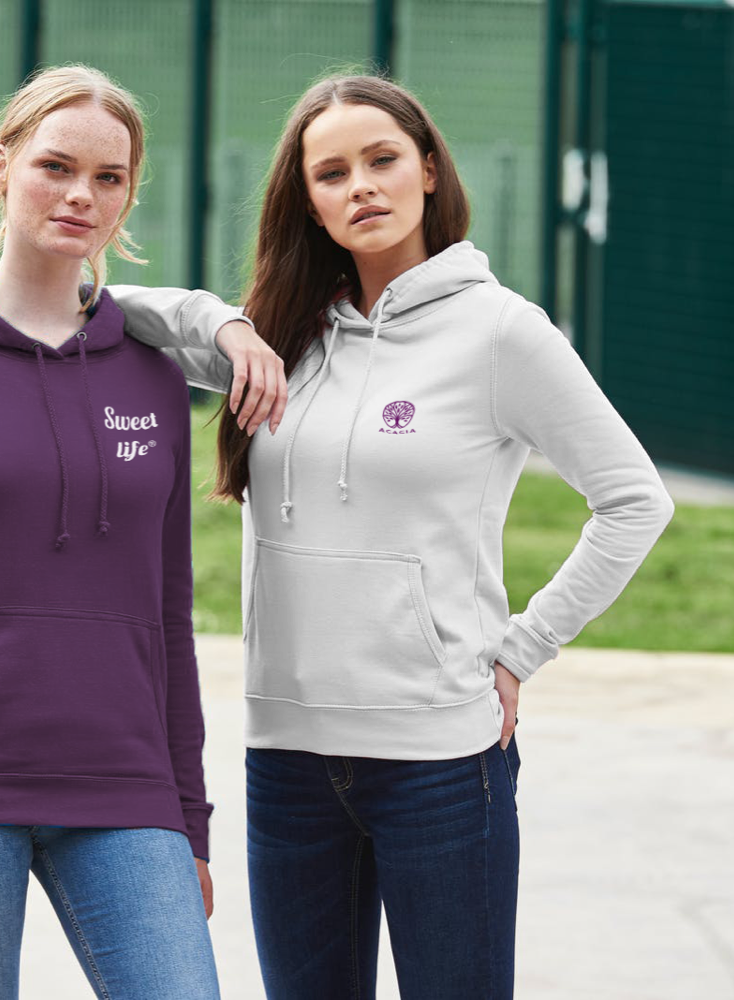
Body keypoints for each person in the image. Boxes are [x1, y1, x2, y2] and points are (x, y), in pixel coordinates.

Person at [109, 74, 675, 999]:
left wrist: (523, 649)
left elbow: (634, 500)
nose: (362, 186)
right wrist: (225, 322)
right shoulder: (283, 335)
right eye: (331, 173)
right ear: (309, 203)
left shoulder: (501, 333)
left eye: (382, 160)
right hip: (287, 757)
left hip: (440, 763)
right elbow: (99, 311)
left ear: (428, 170)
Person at [0, 63, 281, 1000]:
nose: (81, 195)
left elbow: (167, 620)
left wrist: (188, 820)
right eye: (56, 166)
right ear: (4, 167)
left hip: (124, 787)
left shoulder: (150, 379)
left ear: (128, 197)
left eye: (109, 178)